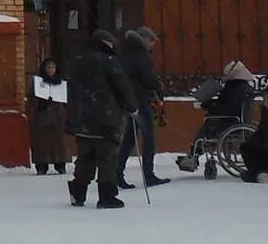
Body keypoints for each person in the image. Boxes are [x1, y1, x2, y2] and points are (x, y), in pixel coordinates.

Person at [66, 28, 137, 209]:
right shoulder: (108, 60)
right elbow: (122, 85)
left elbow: (71, 89)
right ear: (106, 43)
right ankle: (106, 196)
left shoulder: (78, 60)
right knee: (107, 157)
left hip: (82, 118)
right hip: (106, 117)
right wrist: (131, 106)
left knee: (85, 156)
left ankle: (78, 192)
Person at [112, 27, 170, 190]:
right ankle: (148, 174)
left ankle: (118, 173)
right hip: (140, 98)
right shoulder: (141, 54)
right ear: (144, 39)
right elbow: (147, 77)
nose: (153, 45)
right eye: (152, 41)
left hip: (128, 98)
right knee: (148, 135)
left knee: (131, 137)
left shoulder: (126, 51)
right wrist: (157, 87)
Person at [28, 55, 71, 176]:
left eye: (53, 67)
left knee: (59, 143)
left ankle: (60, 164)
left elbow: (66, 100)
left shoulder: (61, 82)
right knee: (41, 143)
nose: (51, 69)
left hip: (58, 116)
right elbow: (31, 99)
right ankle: (42, 166)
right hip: (42, 116)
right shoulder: (38, 83)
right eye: (48, 67)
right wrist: (41, 102)